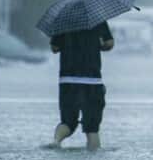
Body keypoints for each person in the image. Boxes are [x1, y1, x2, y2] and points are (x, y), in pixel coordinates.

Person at [49, 21, 114, 150]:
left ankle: (56, 141)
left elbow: (54, 48)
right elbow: (109, 44)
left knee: (68, 121)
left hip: (68, 80)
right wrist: (97, 45)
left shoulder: (63, 22)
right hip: (92, 80)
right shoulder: (98, 20)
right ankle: (93, 155)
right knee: (92, 126)